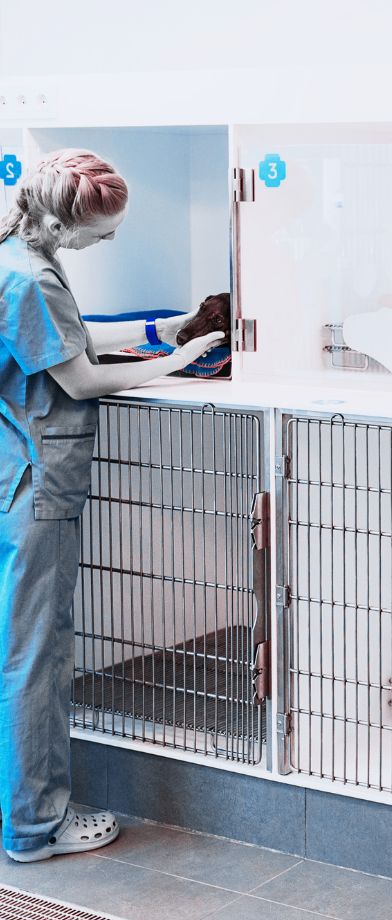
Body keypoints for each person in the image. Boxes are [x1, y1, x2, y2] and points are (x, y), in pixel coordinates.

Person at [0, 149, 223, 863]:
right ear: (70, 224)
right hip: (38, 489)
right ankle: (35, 827)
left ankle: (22, 810)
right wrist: (179, 364)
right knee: (36, 659)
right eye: (105, 233)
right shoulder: (30, 275)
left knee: (19, 652)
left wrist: (170, 326)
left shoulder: (17, 256)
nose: (111, 243)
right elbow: (83, 376)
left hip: (15, 477)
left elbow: (70, 336)